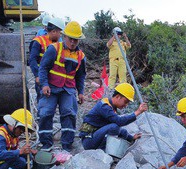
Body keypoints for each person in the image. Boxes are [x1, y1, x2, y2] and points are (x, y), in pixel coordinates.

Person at [37, 20, 86, 151]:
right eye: (71, 39)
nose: (73, 42)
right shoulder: (54, 49)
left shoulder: (81, 56)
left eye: (76, 40)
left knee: (69, 114)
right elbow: (43, 68)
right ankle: (46, 145)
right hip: (51, 88)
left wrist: (81, 92)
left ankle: (66, 145)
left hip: (68, 89)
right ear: (64, 36)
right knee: (46, 113)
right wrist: (44, 85)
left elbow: (80, 76)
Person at [79, 83, 148, 150]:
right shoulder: (104, 107)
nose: (126, 105)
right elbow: (119, 122)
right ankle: (104, 150)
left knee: (117, 128)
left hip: (93, 137)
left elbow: (120, 128)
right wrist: (138, 112)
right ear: (118, 97)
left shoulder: (110, 107)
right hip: (88, 140)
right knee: (114, 127)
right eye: (125, 101)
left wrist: (131, 138)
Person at [29, 17, 64, 102]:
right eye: (60, 33)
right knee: (43, 103)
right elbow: (32, 60)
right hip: (42, 76)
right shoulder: (38, 41)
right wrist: (37, 75)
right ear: (54, 31)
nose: (61, 35)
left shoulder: (60, 44)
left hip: (55, 80)